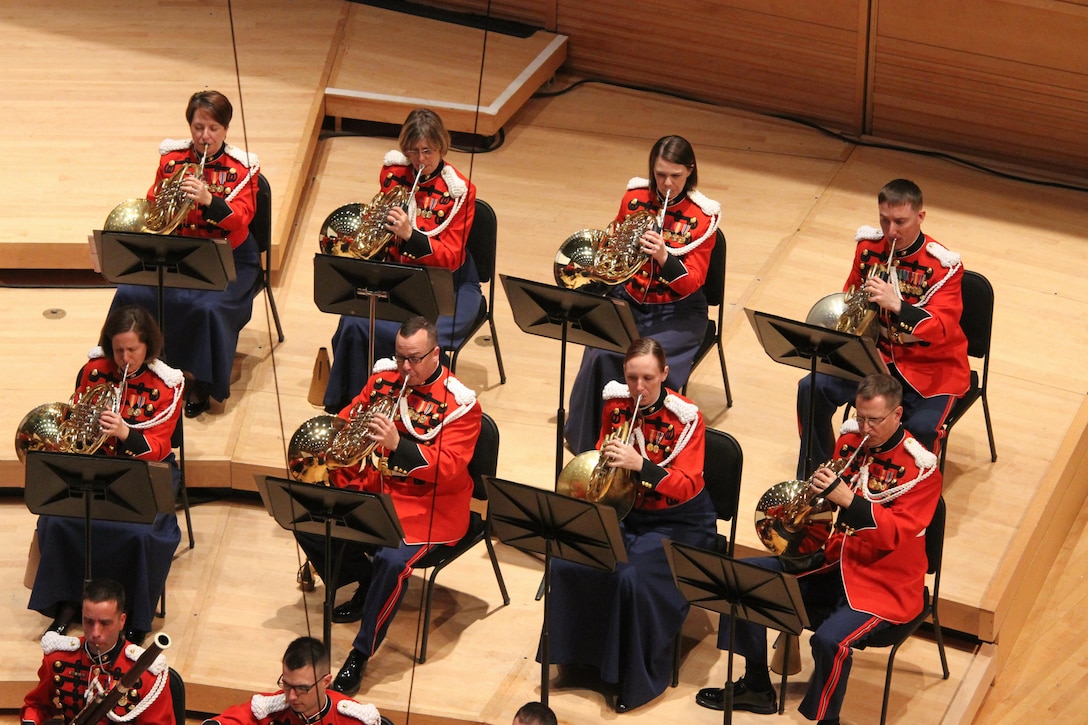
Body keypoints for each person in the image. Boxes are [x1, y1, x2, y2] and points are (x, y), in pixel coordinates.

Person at [696, 374, 942, 723]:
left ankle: (828, 719)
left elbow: (897, 535)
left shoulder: (920, 470)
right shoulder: (850, 441)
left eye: (875, 420)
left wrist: (848, 499)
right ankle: (756, 685)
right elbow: (828, 511)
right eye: (860, 416)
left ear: (898, 414)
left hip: (884, 580)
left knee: (829, 641)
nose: (865, 427)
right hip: (831, 560)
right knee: (740, 580)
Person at [297, 316, 481, 695]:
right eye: (399, 357)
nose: (405, 368)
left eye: (414, 359)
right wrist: (335, 442)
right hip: (378, 489)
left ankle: (360, 654)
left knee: (392, 561)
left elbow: (449, 468)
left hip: (431, 506)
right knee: (307, 513)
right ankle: (364, 583)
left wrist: (400, 445)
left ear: (436, 353)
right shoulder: (384, 382)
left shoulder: (461, 404)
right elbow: (348, 419)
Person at [546, 338, 716, 712]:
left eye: (648, 379)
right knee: (568, 561)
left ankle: (631, 676)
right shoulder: (616, 404)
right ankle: (575, 661)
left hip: (679, 522)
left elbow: (686, 485)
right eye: (632, 377)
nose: (639, 387)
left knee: (629, 578)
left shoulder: (686, 417)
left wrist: (642, 466)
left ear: (665, 374)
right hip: (624, 511)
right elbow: (599, 451)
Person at [28, 305, 183, 645]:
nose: (125, 358)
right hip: (94, 465)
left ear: (149, 347)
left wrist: (126, 433)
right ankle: (67, 604)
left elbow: (159, 445)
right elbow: (75, 419)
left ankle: (135, 617)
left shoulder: (167, 385)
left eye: (133, 350)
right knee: (58, 521)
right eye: (118, 350)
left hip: (145, 472)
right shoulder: (95, 370)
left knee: (141, 535)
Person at [796, 178, 969, 478]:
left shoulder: (944, 266)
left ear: (920, 216)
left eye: (900, 222)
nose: (891, 232)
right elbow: (849, 296)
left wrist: (899, 306)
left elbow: (943, 327)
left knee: (921, 429)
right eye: (884, 220)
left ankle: (911, 493)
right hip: (877, 360)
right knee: (812, 387)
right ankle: (817, 475)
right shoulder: (869, 248)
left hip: (931, 371)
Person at [564, 135, 720, 454]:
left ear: (690, 171)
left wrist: (664, 257)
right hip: (630, 299)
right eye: (660, 174)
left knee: (644, 365)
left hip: (678, 312)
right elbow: (616, 243)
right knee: (600, 352)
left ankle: (644, 441)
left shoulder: (703, 217)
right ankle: (588, 444)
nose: (666, 184)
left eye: (675, 176)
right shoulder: (635, 197)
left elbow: (694, 281)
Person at [322, 107, 484, 413]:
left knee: (417, 342)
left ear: (441, 147)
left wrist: (413, 236)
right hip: (398, 277)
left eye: (427, 150)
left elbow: (451, 255)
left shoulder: (459, 192)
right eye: (413, 151)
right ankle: (351, 406)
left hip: (445, 284)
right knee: (355, 322)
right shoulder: (394, 174)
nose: (420, 160)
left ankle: (417, 405)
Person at [110, 89, 261, 418]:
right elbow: (153, 200)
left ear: (225, 129)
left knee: (207, 309)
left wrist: (210, 200)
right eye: (197, 127)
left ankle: (198, 381)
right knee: (129, 293)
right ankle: (128, 366)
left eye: (213, 129)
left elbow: (242, 218)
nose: (204, 136)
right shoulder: (172, 159)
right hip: (176, 250)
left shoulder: (242, 169)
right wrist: (167, 197)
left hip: (229, 257)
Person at [21, 579, 174, 724]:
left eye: (105, 623)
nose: (95, 633)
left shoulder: (148, 674)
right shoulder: (58, 658)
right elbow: (37, 705)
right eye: (88, 621)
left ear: (122, 621)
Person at [201, 636, 383, 725]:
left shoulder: (354, 719)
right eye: (287, 685)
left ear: (325, 681)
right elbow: (235, 719)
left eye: (302, 688)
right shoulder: (270, 709)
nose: (292, 696)